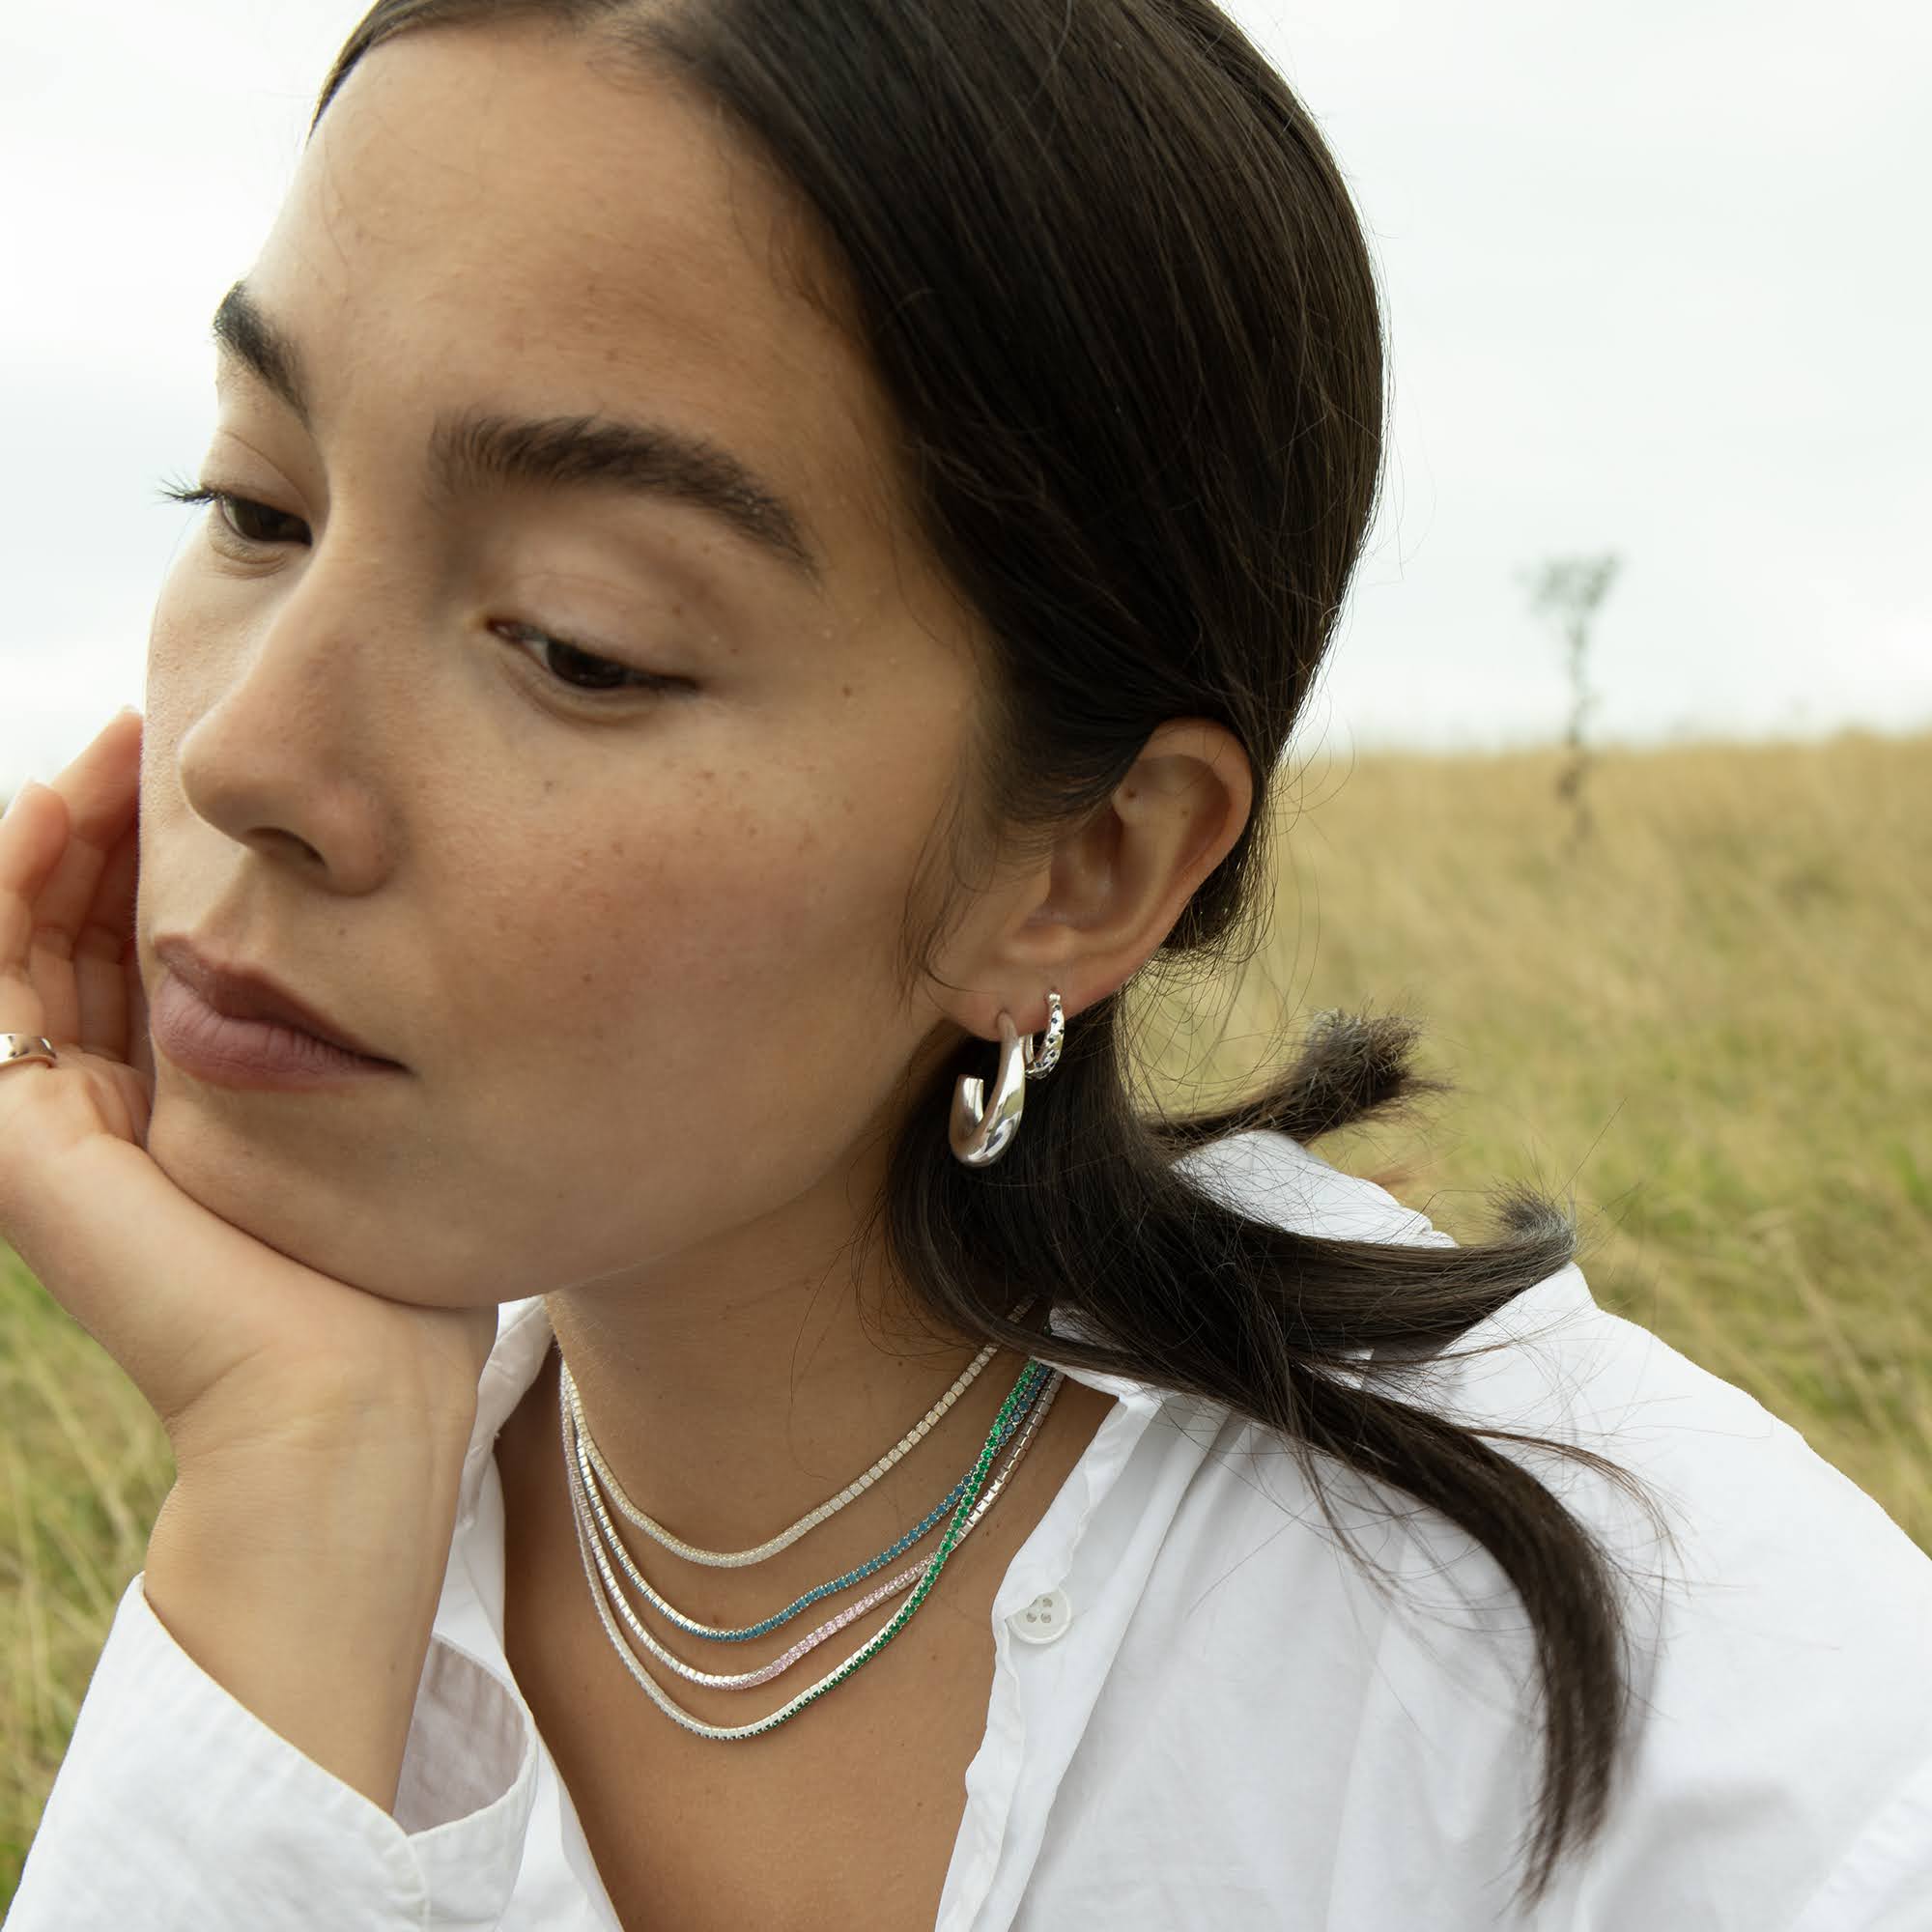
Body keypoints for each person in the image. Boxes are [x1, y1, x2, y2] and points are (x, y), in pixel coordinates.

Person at [3, 2, 1928, 1926]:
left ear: (1081, 871)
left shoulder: (1706, 1736)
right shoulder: (323, 1532)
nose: (247, 752)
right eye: (254, 507)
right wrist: (296, 1480)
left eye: (581, 643)